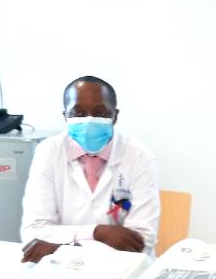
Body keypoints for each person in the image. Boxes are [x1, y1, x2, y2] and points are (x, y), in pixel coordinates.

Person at [20, 76, 159, 263]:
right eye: (78, 113)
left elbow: (139, 242)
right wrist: (97, 232)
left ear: (115, 116)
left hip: (124, 269)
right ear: (65, 116)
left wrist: (58, 248)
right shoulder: (49, 152)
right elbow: (34, 231)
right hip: (60, 269)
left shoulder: (139, 156)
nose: (88, 121)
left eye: (100, 113)